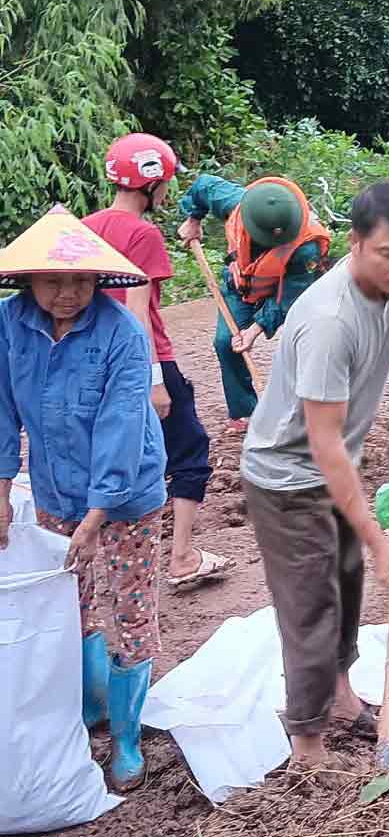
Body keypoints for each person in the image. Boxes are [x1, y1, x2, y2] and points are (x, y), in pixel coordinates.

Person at [240, 180, 389, 768]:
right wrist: (377, 537)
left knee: (347, 590)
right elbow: (322, 447)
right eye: (387, 254)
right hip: (286, 478)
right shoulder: (327, 319)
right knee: (311, 609)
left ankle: (342, 698)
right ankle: (307, 741)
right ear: (354, 243)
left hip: (340, 463)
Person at [0, 208, 167, 791]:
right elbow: (1, 411)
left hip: (125, 497)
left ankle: (125, 739)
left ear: (100, 281)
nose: (67, 294)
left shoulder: (122, 333)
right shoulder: (8, 324)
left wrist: (97, 515)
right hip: (55, 490)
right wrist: (2, 489)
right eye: (52, 281)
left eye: (80, 281)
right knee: (70, 599)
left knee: (130, 607)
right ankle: (90, 705)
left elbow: (123, 424)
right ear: (27, 282)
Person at [85, 134, 231, 589]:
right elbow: (136, 311)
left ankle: (95, 560)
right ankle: (182, 557)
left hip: (94, 362)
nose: (167, 191)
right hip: (143, 360)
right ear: (150, 183)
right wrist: (153, 380)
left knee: (104, 455)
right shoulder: (143, 234)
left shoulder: (85, 226)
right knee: (189, 452)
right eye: (165, 182)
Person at [177, 175, 330, 434]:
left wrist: (255, 329)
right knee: (226, 343)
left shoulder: (306, 247)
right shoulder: (237, 203)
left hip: (289, 291)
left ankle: (310, 411)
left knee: (310, 344)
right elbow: (202, 186)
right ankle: (244, 411)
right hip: (242, 284)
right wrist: (194, 219)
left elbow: (289, 299)